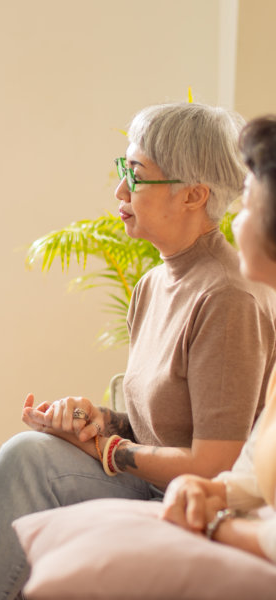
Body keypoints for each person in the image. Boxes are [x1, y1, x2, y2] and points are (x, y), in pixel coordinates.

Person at [0, 103, 276, 600]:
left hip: (198, 498)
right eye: (123, 170)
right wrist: (99, 420)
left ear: (195, 195)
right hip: (157, 484)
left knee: (27, 460)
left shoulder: (227, 297)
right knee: (32, 452)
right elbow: (166, 423)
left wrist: (109, 450)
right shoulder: (154, 283)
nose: (120, 192)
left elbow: (215, 464)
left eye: (138, 176)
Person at [161, 115, 276, 562]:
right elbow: (254, 471)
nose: (234, 218)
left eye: (246, 202)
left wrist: (217, 526)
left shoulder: (228, 298)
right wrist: (208, 490)